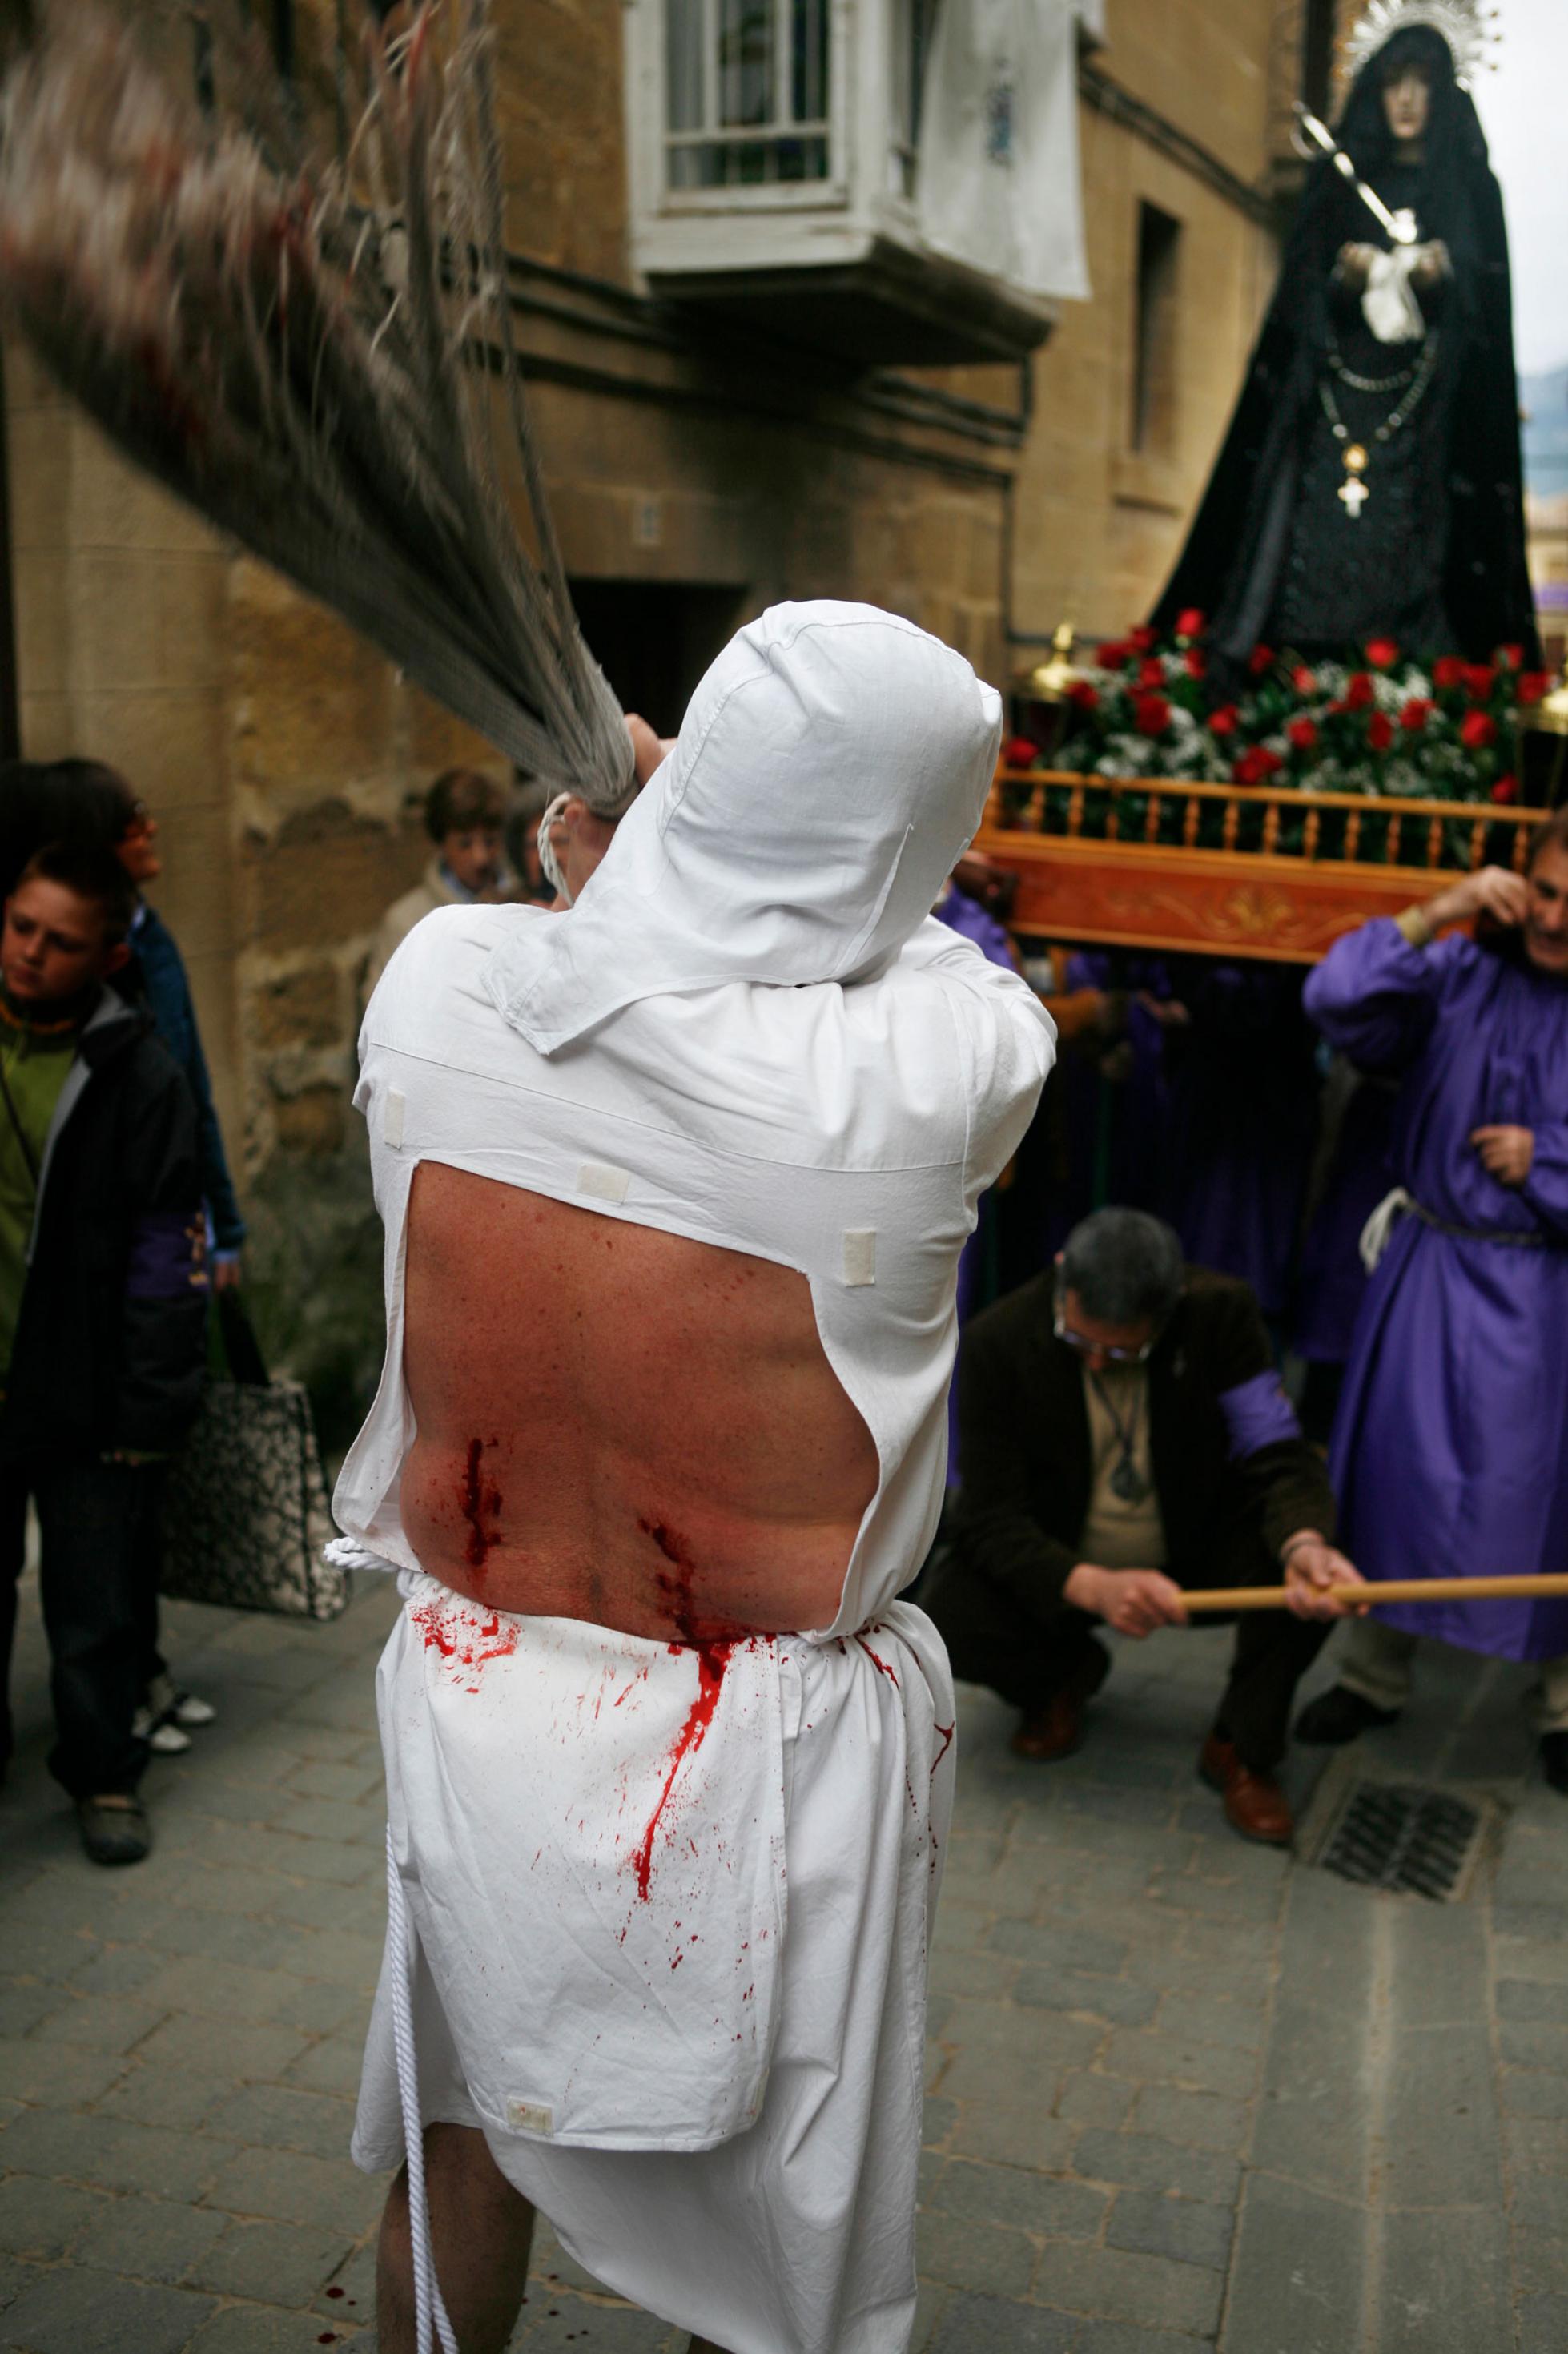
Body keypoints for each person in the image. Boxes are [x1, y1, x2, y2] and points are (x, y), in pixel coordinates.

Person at [332, 602, 1053, 2354]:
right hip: (762, 1737)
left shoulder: (440, 976)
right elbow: (938, 951)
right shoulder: (925, 1070)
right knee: (787, 2236)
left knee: (461, 2129)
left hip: (476, 1679)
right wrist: (685, 844)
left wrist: (642, 854)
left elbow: (647, 960)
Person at [924, 1209, 1364, 1845]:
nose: (1099, 1364)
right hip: (1065, 1552)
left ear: (1169, 1307)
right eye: (1082, 1343)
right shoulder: (998, 1340)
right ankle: (1062, 1676)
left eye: (1123, 1349)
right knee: (950, 1614)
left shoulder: (1222, 1313)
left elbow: (1277, 1454)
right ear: (1061, 1277)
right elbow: (989, 1517)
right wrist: (1086, 1584)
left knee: (1307, 1558)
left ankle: (1242, 1743)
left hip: (1194, 1541)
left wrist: (1306, 1542)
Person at [1297, 817, 1568, 1788]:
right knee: (1391, 1475)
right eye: (1541, 890)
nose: (1550, 918)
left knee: (1542, 1491)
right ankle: (1372, 1673)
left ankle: (1559, 1699)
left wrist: (1550, 1159)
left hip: (1547, 1282)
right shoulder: (1456, 974)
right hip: (1431, 1266)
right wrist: (1441, 908)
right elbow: (1333, 997)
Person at [1152, 11, 1537, 682]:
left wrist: (1443, 275)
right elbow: (1301, 295)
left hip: (1425, 426)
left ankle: (1401, 688)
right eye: (1395, 84)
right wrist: (1345, 275)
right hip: (1336, 404)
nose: (1408, 99)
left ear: (1444, 93)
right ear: (1378, 93)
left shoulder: (1470, 189)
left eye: (1422, 84)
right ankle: (1300, 677)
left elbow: (1483, 307)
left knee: (1406, 554)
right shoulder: (1341, 182)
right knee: (1314, 548)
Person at [0, 757, 239, 1753]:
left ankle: (101, 1770)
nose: (27, 955)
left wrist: (150, 1404)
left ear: (103, 957)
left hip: (85, 1382)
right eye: (18, 929)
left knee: (93, 1600)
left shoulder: (134, 1075)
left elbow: (158, 1245)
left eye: (58, 943)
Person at [365, 766, 511, 994]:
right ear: (442, 844)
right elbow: (382, 1009)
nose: (481, 857)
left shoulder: (522, 899)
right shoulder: (406, 921)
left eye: (490, 841)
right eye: (465, 844)